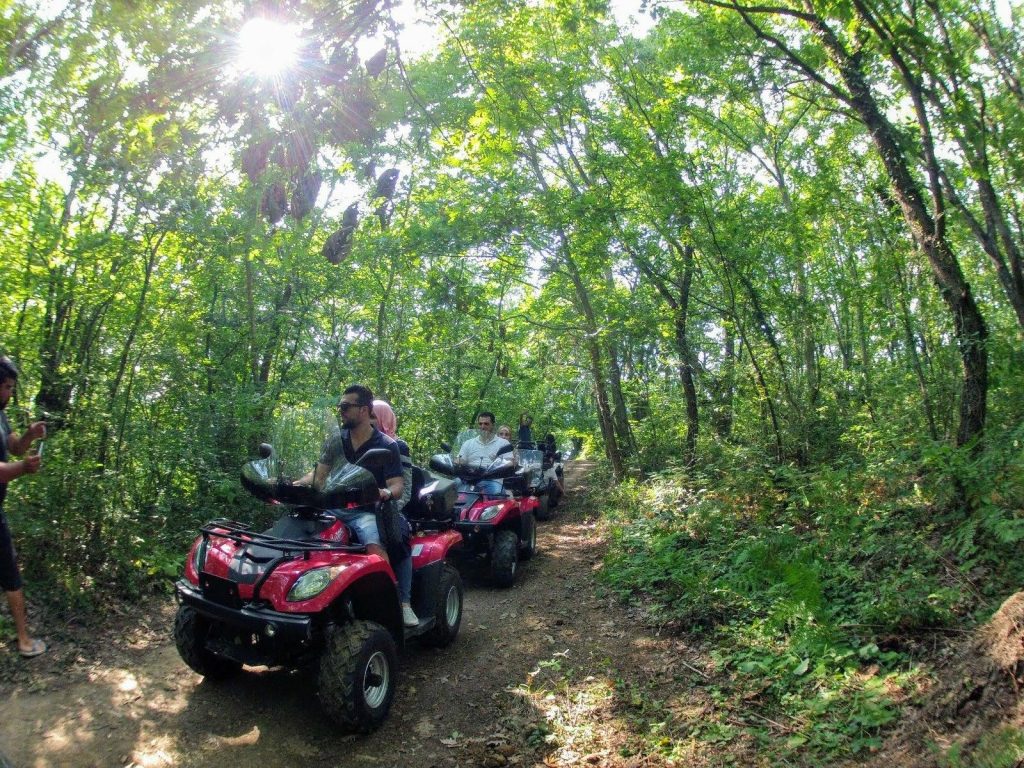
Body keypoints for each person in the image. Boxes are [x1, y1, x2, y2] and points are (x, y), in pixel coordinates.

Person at [304, 384, 403, 567]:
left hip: (365, 512)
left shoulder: (387, 445)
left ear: (364, 410)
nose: (341, 411)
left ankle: (388, 592)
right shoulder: (336, 440)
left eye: (345, 407)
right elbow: (319, 475)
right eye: (340, 407)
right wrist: (292, 483)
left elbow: (397, 485)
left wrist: (385, 493)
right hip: (332, 506)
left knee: (375, 551)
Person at [0, 356, 46, 658]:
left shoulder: (0, 416)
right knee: (10, 572)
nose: (9, 393)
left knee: (10, 571)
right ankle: (23, 640)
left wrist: (29, 435)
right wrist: (23, 468)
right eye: (5, 387)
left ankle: (23, 639)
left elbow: (13, 445)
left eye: (12, 387)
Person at [370, 399, 418, 628]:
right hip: (358, 508)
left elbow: (405, 488)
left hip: (391, 507)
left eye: (373, 417)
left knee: (397, 537)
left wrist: (387, 509)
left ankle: (405, 603)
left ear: (382, 418)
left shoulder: (398, 446)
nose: (368, 421)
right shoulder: (355, 442)